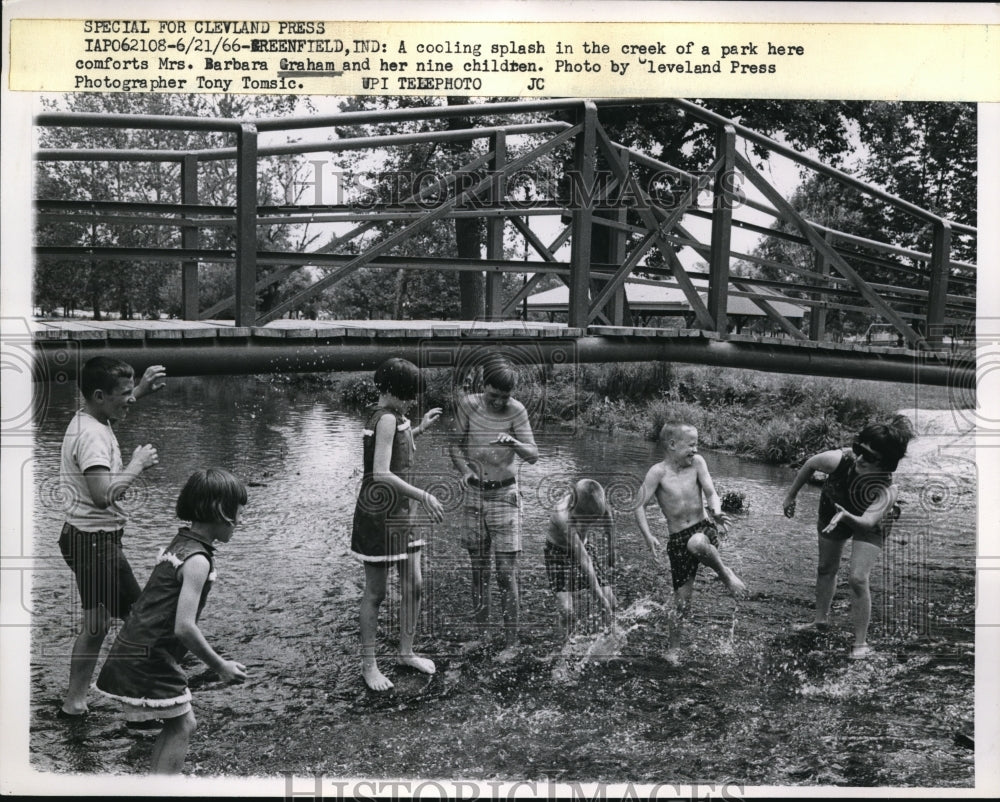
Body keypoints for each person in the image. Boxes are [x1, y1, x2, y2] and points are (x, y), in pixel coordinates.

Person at [96, 468, 249, 774]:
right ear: (220, 511)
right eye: (238, 512)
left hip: (136, 649)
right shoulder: (198, 561)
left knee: (180, 723)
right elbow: (184, 627)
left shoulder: (181, 543)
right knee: (183, 724)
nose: (240, 521)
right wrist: (220, 666)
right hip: (149, 658)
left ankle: (157, 785)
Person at [57, 356, 166, 717]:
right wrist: (136, 465)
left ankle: (130, 693)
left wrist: (140, 391)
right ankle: (78, 702)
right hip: (93, 541)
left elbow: (113, 408)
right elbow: (103, 495)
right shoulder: (90, 436)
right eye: (125, 393)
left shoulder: (92, 417)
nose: (130, 400)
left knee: (134, 616)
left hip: (93, 539)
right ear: (100, 396)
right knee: (102, 624)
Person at [782, 415, 915, 659]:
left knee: (857, 578)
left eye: (870, 457)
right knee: (825, 567)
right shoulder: (839, 460)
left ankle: (860, 643)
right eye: (859, 450)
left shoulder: (886, 490)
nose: (860, 459)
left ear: (886, 463)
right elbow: (810, 464)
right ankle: (820, 621)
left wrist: (846, 517)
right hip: (834, 504)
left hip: (866, 520)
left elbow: (867, 522)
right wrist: (791, 496)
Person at [350, 357, 444, 691]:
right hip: (380, 513)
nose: (412, 402)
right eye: (408, 395)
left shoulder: (395, 417)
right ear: (390, 391)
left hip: (402, 512)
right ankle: (369, 666)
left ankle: (406, 652)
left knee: (414, 584)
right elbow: (381, 473)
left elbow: (395, 451)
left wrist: (419, 429)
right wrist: (423, 495)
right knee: (376, 592)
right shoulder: (386, 419)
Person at [634, 421, 747, 663]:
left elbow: (711, 492)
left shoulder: (698, 463)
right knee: (682, 603)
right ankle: (674, 649)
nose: (695, 450)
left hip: (702, 528)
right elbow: (639, 505)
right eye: (691, 445)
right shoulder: (657, 473)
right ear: (672, 444)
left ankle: (725, 574)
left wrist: (716, 511)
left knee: (696, 543)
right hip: (677, 539)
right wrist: (648, 536)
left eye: (697, 445)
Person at [450, 355, 538, 662]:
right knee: (479, 570)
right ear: (483, 384)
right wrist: (464, 471)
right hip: (475, 495)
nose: (500, 401)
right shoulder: (468, 405)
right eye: (494, 395)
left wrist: (513, 442)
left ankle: (511, 644)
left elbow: (533, 456)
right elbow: (454, 446)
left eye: (505, 396)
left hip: (505, 495)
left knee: (504, 573)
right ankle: (482, 637)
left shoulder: (517, 410)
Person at [544, 479, 617, 640]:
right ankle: (565, 644)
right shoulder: (562, 515)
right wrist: (599, 599)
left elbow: (608, 519)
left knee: (611, 601)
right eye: (584, 520)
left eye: (592, 521)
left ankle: (606, 638)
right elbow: (584, 559)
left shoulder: (598, 501)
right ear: (573, 507)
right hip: (558, 553)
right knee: (567, 611)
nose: (587, 525)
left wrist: (611, 550)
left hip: (583, 547)